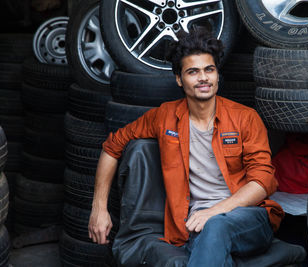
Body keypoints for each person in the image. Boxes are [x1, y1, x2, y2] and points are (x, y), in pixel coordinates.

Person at [88, 28, 284, 266]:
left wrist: (215, 212)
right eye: (193, 72)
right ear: (180, 79)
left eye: (209, 70)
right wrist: (99, 208)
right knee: (211, 242)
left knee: (216, 226)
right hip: (193, 225)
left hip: (249, 218)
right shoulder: (165, 116)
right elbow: (111, 147)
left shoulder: (245, 118)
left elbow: (262, 181)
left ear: (217, 75)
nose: (203, 78)